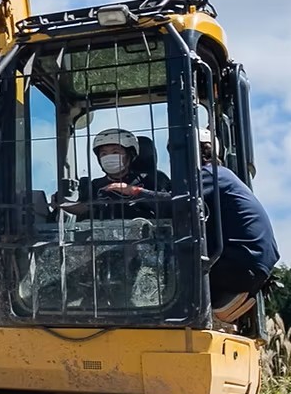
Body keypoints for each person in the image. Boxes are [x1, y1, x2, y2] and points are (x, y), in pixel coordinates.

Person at [102, 127, 278, 315]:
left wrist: (136, 192)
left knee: (162, 270)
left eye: (177, 152)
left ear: (196, 151)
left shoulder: (210, 174)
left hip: (239, 264)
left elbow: (178, 205)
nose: (174, 160)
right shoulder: (222, 175)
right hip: (250, 261)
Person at [60, 127, 170, 220]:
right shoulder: (96, 185)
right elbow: (86, 209)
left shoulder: (152, 179)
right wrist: (62, 202)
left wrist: (133, 191)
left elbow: (171, 205)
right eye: (103, 153)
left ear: (130, 154)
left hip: (148, 241)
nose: (108, 157)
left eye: (115, 152)